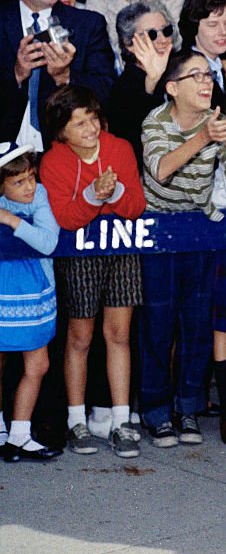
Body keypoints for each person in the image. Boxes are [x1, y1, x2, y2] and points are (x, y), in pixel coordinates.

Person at [139, 49, 226, 447]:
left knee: (196, 325)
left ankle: (187, 408)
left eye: (209, 75)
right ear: (172, 88)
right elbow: (161, 170)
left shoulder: (216, 123)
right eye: (196, 76)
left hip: (201, 232)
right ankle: (155, 411)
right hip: (160, 233)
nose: (207, 82)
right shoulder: (155, 122)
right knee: (157, 327)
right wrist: (204, 137)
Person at [40, 86, 147, 459]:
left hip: (122, 249)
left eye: (92, 118)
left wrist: (113, 193)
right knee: (80, 336)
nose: (90, 129)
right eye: (78, 123)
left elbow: (135, 205)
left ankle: (121, 419)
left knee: (119, 334)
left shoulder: (119, 147)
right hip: (80, 256)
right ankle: (76, 420)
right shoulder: (54, 161)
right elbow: (66, 217)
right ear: (61, 131)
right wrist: (93, 195)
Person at [0, 0, 115, 149]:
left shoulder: (88, 25)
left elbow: (106, 92)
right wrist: (16, 74)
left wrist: (66, 77)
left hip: (63, 151)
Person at [0, 142, 62, 462]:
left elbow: (49, 241)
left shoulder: (40, 197)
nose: (30, 186)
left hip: (35, 291)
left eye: (31, 177)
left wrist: (12, 222)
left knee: (38, 364)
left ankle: (20, 435)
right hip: (3, 292)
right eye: (18, 182)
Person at [106, 0, 179, 166]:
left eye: (166, 31)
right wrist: (152, 81)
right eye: (152, 34)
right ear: (129, 44)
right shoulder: (122, 90)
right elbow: (140, 142)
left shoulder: (183, 67)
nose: (163, 40)